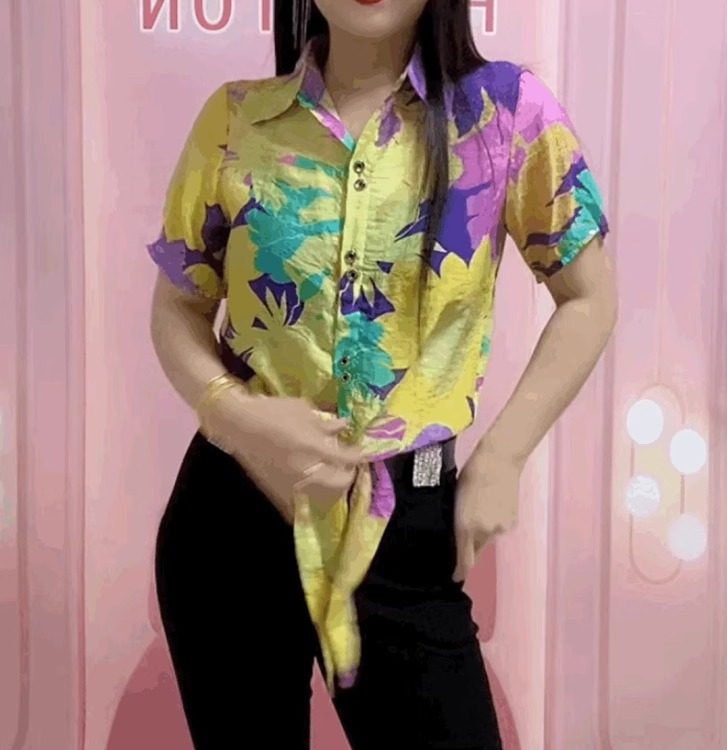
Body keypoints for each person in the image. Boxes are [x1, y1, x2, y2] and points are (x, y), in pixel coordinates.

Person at [147, 0, 617, 747]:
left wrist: (503, 458)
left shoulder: (505, 114)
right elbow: (178, 305)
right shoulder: (236, 120)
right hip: (232, 519)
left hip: (405, 529)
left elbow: (588, 298)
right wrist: (232, 413)